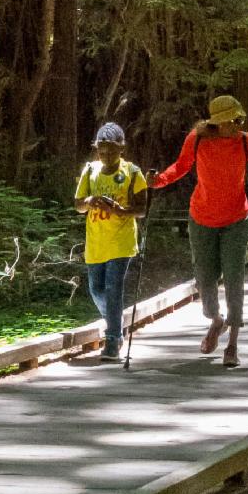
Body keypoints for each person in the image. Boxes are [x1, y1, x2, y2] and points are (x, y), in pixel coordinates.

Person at [149, 94, 248, 368]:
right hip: (201, 217)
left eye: (238, 119)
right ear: (216, 123)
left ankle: (233, 344)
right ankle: (216, 320)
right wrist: (158, 181)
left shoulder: (245, 140)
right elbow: (181, 166)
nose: (236, 124)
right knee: (205, 278)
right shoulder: (198, 138)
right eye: (230, 120)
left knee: (235, 277)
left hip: (236, 219)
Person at [75, 122, 148, 362]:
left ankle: (113, 339)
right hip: (95, 242)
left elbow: (141, 209)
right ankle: (115, 324)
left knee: (113, 288)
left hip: (121, 242)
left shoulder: (133, 172)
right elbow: (78, 205)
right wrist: (91, 200)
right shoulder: (90, 170)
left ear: (121, 149)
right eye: (101, 150)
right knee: (96, 289)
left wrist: (120, 211)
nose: (105, 155)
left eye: (111, 151)